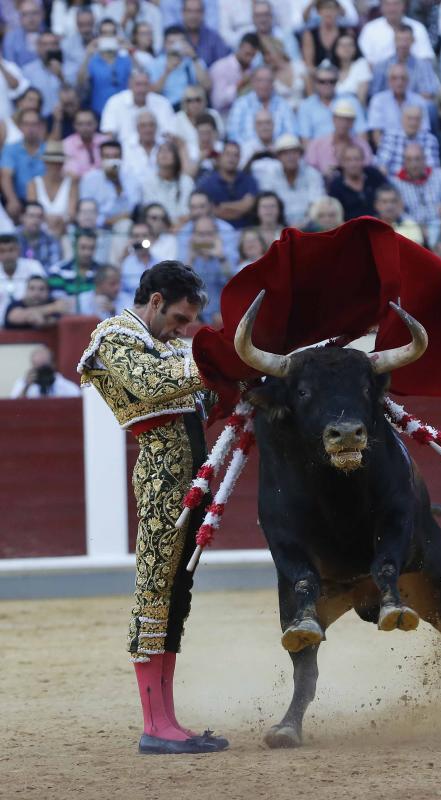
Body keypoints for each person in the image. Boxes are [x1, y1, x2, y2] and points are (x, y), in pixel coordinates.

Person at [77, 261, 229, 755]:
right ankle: (153, 726)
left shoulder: (172, 344)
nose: (185, 330)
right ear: (157, 300)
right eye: (181, 318)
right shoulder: (114, 336)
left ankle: (168, 722)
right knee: (154, 593)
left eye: (190, 324)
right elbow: (154, 384)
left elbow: (208, 392)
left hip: (192, 480)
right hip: (162, 479)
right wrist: (216, 358)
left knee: (176, 595)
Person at [256, 134, 324, 228]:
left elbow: (317, 205)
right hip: (279, 226)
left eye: (294, 152)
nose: (290, 157)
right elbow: (268, 202)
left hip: (308, 226)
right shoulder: (270, 175)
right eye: (285, 153)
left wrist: (302, 225)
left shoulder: (312, 174)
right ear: (278, 157)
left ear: (300, 154)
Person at [196, 140, 259, 230]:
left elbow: (247, 206)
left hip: (246, 232)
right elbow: (210, 211)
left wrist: (222, 206)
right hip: (217, 232)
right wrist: (239, 208)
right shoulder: (207, 183)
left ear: (240, 158)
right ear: (221, 157)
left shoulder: (249, 180)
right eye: (228, 154)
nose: (231, 158)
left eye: (235, 155)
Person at [391, 143, 441, 230]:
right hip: (412, 229)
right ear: (404, 162)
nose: (414, 164)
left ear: (425, 159)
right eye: (409, 160)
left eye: (417, 159)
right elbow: (399, 211)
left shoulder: (440, 175)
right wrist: (417, 228)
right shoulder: (396, 182)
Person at [226, 66, 297, 144]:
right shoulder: (241, 104)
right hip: (247, 153)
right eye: (260, 80)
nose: (264, 84)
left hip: (278, 152)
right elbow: (233, 135)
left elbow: (292, 134)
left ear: (273, 83)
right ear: (253, 82)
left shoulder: (283, 105)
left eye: (268, 81)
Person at [304, 99, 373, 179]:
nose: (343, 124)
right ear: (333, 119)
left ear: (353, 122)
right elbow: (308, 172)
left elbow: (367, 170)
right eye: (340, 119)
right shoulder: (317, 145)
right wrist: (323, 175)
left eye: (347, 120)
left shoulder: (362, 145)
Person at [367, 62, 430, 148]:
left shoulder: (419, 101)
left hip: (414, 150)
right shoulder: (378, 100)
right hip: (388, 149)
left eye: (403, 78)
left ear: (408, 81)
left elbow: (424, 131)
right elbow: (376, 134)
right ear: (389, 81)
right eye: (394, 78)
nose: (399, 82)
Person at [149, 25, 211, 110]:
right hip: (168, 107)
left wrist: (194, 57)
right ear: (164, 44)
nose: (175, 46)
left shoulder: (194, 61)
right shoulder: (156, 64)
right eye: (171, 43)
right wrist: (167, 71)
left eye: (179, 42)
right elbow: (153, 93)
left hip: (192, 106)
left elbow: (207, 86)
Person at [0, 108, 46, 220]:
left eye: (34, 124)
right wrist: (12, 200)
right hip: (20, 201)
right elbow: (6, 175)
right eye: (26, 124)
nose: (30, 128)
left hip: (43, 202)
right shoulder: (10, 149)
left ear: (41, 126)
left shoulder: (48, 150)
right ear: (20, 127)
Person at [358, 0, 434, 65]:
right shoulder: (369, 29)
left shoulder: (418, 28)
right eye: (387, 4)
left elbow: (426, 58)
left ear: (404, 5)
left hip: (414, 76)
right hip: (378, 77)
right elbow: (367, 61)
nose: (392, 9)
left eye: (396, 4)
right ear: (381, 7)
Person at [26, 140, 77, 237]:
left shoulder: (71, 183)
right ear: (45, 162)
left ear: (63, 164)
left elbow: (72, 213)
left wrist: (60, 221)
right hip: (39, 231)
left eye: (58, 163)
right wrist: (48, 220)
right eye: (51, 162)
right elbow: (32, 210)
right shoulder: (33, 183)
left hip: (64, 231)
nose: (55, 166)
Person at [374, 105, 439, 176]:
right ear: (402, 120)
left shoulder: (430, 139)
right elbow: (382, 164)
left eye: (417, 119)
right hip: (394, 181)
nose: (413, 123)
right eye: (409, 118)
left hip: (422, 182)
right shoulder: (389, 137)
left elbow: (432, 168)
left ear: (421, 122)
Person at [328, 144, 387, 221]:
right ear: (342, 163)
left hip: (379, 223)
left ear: (363, 160)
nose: (353, 164)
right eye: (348, 160)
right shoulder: (336, 186)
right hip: (350, 228)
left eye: (357, 159)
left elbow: (388, 194)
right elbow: (336, 213)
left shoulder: (374, 175)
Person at [48, 229, 102, 309]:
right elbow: (60, 304)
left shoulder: (102, 272)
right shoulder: (58, 271)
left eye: (92, 248)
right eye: (83, 247)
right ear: (74, 246)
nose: (87, 252)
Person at [0, 231, 46, 322]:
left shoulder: (33, 267)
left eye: (11, 250)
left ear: (19, 250)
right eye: (2, 251)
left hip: (28, 323)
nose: (7, 255)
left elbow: (44, 295)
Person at [209, 33, 260, 114]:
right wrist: (240, 84)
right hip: (225, 117)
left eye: (253, 56)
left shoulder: (253, 69)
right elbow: (218, 102)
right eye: (247, 54)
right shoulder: (221, 67)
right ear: (240, 47)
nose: (249, 59)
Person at [11, 344, 80, 398]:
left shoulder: (66, 387)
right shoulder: (23, 384)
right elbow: (13, 407)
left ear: (53, 365)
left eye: (45, 368)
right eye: (39, 369)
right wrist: (26, 387)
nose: (42, 372)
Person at [4, 274, 68, 329]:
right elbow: (14, 317)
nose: (36, 293)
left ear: (48, 292)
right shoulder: (14, 304)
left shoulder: (52, 302)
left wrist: (44, 322)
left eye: (42, 289)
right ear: (25, 291)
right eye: (32, 288)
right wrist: (53, 308)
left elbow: (57, 319)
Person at [302, 0, 352, 69]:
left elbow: (351, 60)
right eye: (325, 9)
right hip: (318, 76)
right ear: (319, 12)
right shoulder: (310, 34)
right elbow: (309, 65)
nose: (328, 12)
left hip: (343, 74)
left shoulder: (345, 32)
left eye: (332, 9)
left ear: (337, 11)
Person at [15, 201, 62, 269]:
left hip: (43, 277)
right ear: (22, 217)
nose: (36, 220)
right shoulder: (13, 238)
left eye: (39, 217)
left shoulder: (51, 239)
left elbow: (54, 267)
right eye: (31, 216)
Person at [63, 108, 108, 179]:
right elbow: (70, 171)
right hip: (77, 185)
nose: (85, 128)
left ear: (96, 124)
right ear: (74, 125)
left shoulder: (105, 141)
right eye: (80, 124)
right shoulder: (67, 144)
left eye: (89, 124)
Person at [331, 32, 371, 108]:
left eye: (350, 45)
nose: (346, 48)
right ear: (335, 49)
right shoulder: (329, 67)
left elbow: (361, 100)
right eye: (342, 45)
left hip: (354, 111)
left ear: (355, 48)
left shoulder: (361, 65)